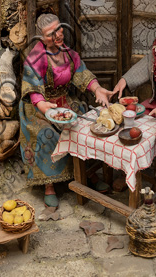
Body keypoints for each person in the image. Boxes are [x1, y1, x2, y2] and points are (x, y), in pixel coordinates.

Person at [19, 13, 110, 209]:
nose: (58, 35)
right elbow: (32, 87)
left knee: (85, 123)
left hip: (64, 101)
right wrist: (43, 105)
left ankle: (86, 172)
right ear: (42, 38)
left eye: (59, 29)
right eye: (51, 34)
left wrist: (97, 88)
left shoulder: (67, 53)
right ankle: (49, 184)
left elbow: (81, 73)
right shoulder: (35, 58)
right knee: (47, 133)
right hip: (39, 107)